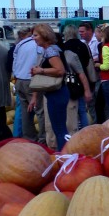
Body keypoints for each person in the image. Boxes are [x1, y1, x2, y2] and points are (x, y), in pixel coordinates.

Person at [29, 23, 71, 151]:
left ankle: (63, 154)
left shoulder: (50, 50)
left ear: (44, 35)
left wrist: (40, 70)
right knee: (59, 127)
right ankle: (65, 153)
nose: (33, 38)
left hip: (56, 94)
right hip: (58, 93)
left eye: (35, 35)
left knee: (59, 128)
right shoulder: (52, 49)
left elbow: (60, 70)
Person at [12, 26, 45, 143]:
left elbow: (14, 61)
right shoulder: (38, 45)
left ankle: (29, 138)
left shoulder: (20, 44)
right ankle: (42, 139)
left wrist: (16, 76)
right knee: (39, 110)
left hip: (19, 79)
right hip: (31, 80)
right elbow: (41, 62)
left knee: (25, 112)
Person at [61, 24, 93, 131]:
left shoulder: (63, 47)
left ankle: (73, 132)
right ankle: (85, 132)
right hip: (83, 80)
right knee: (82, 110)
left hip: (69, 82)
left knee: (70, 111)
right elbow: (88, 63)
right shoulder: (83, 46)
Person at [78, 21, 105, 124]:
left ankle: (100, 122)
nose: (80, 33)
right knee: (90, 102)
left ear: (89, 31)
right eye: (79, 32)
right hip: (88, 77)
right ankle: (94, 123)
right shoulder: (82, 43)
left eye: (82, 31)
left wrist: (93, 60)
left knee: (97, 101)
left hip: (98, 75)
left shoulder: (97, 41)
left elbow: (102, 56)